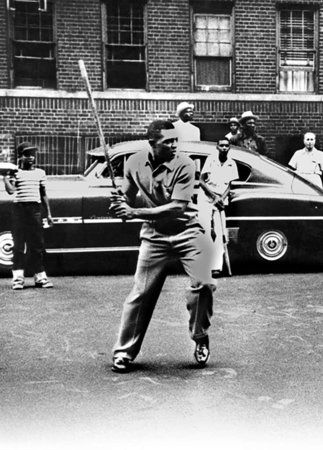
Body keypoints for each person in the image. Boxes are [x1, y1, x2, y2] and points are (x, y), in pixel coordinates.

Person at [109, 119, 216, 373]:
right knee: (140, 295)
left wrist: (133, 213)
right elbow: (126, 192)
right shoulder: (134, 161)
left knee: (204, 284)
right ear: (152, 144)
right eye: (167, 142)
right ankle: (124, 353)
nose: (174, 145)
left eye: (176, 140)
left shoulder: (186, 165)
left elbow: (177, 207)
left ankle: (200, 336)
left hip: (188, 232)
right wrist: (118, 201)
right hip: (154, 235)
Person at [3, 142, 53, 290]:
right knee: (18, 245)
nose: (30, 158)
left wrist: (49, 214)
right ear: (20, 157)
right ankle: (18, 279)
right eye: (26, 155)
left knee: (37, 245)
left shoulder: (40, 173)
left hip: (35, 210)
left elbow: (43, 194)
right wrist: (5, 179)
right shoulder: (15, 173)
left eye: (32, 154)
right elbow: (11, 191)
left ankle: (40, 278)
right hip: (19, 210)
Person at [198, 137, 239, 277]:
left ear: (229, 147)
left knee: (220, 233)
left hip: (220, 200)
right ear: (217, 147)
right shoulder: (211, 159)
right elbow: (201, 182)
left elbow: (230, 185)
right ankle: (204, 265)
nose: (224, 148)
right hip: (206, 198)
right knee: (205, 231)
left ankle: (216, 267)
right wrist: (214, 196)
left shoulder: (231, 163)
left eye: (226, 146)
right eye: (221, 145)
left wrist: (221, 198)